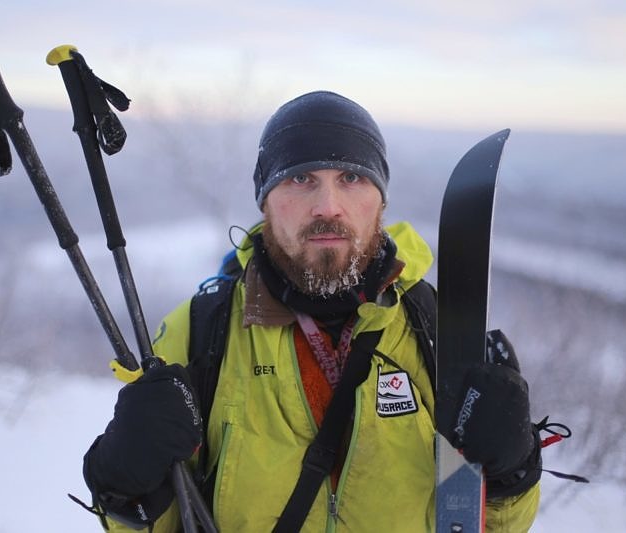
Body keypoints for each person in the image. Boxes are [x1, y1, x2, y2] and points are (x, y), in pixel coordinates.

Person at [81, 91, 542, 532]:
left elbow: (479, 522)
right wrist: (126, 486)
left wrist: (510, 472)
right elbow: (159, 520)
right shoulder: (199, 334)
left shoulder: (438, 328)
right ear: (265, 201)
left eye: (352, 178)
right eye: (301, 179)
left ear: (380, 200)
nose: (328, 207)